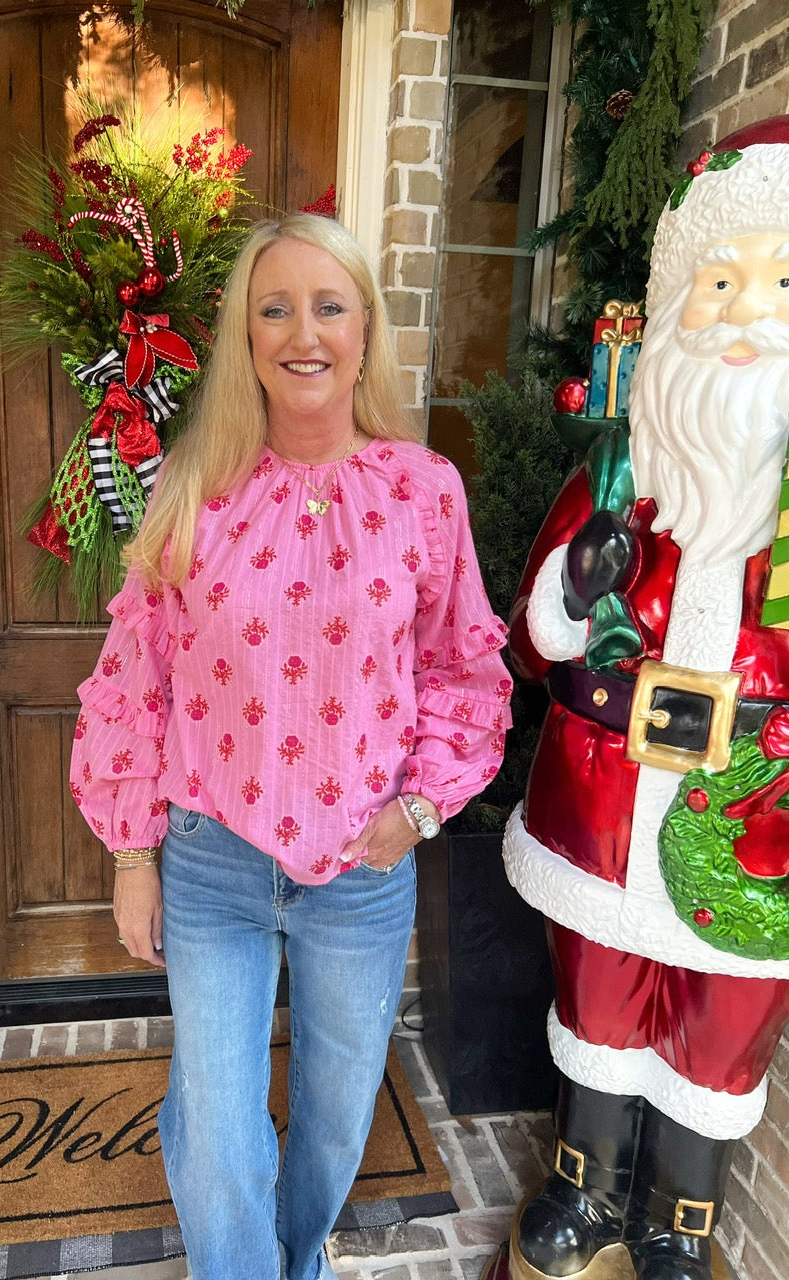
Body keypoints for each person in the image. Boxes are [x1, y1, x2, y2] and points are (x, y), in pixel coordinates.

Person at [69, 213, 511, 1280]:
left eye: (328, 305)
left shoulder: (422, 491)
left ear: (363, 328)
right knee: (217, 1123)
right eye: (275, 308)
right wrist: (134, 852)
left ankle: (294, 1257)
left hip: (361, 874)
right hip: (214, 858)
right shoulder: (194, 489)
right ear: (246, 336)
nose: (301, 330)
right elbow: (136, 676)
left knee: (333, 1120)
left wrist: (419, 809)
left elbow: (462, 669)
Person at [501, 117, 789, 1280]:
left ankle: (681, 1222)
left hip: (753, 815)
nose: (752, 316)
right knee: (603, 999)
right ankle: (586, 1194)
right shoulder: (621, 474)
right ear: (676, 302)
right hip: (610, 800)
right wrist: (582, 579)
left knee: (719, 1025)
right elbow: (535, 637)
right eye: (721, 283)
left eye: (782, 283)